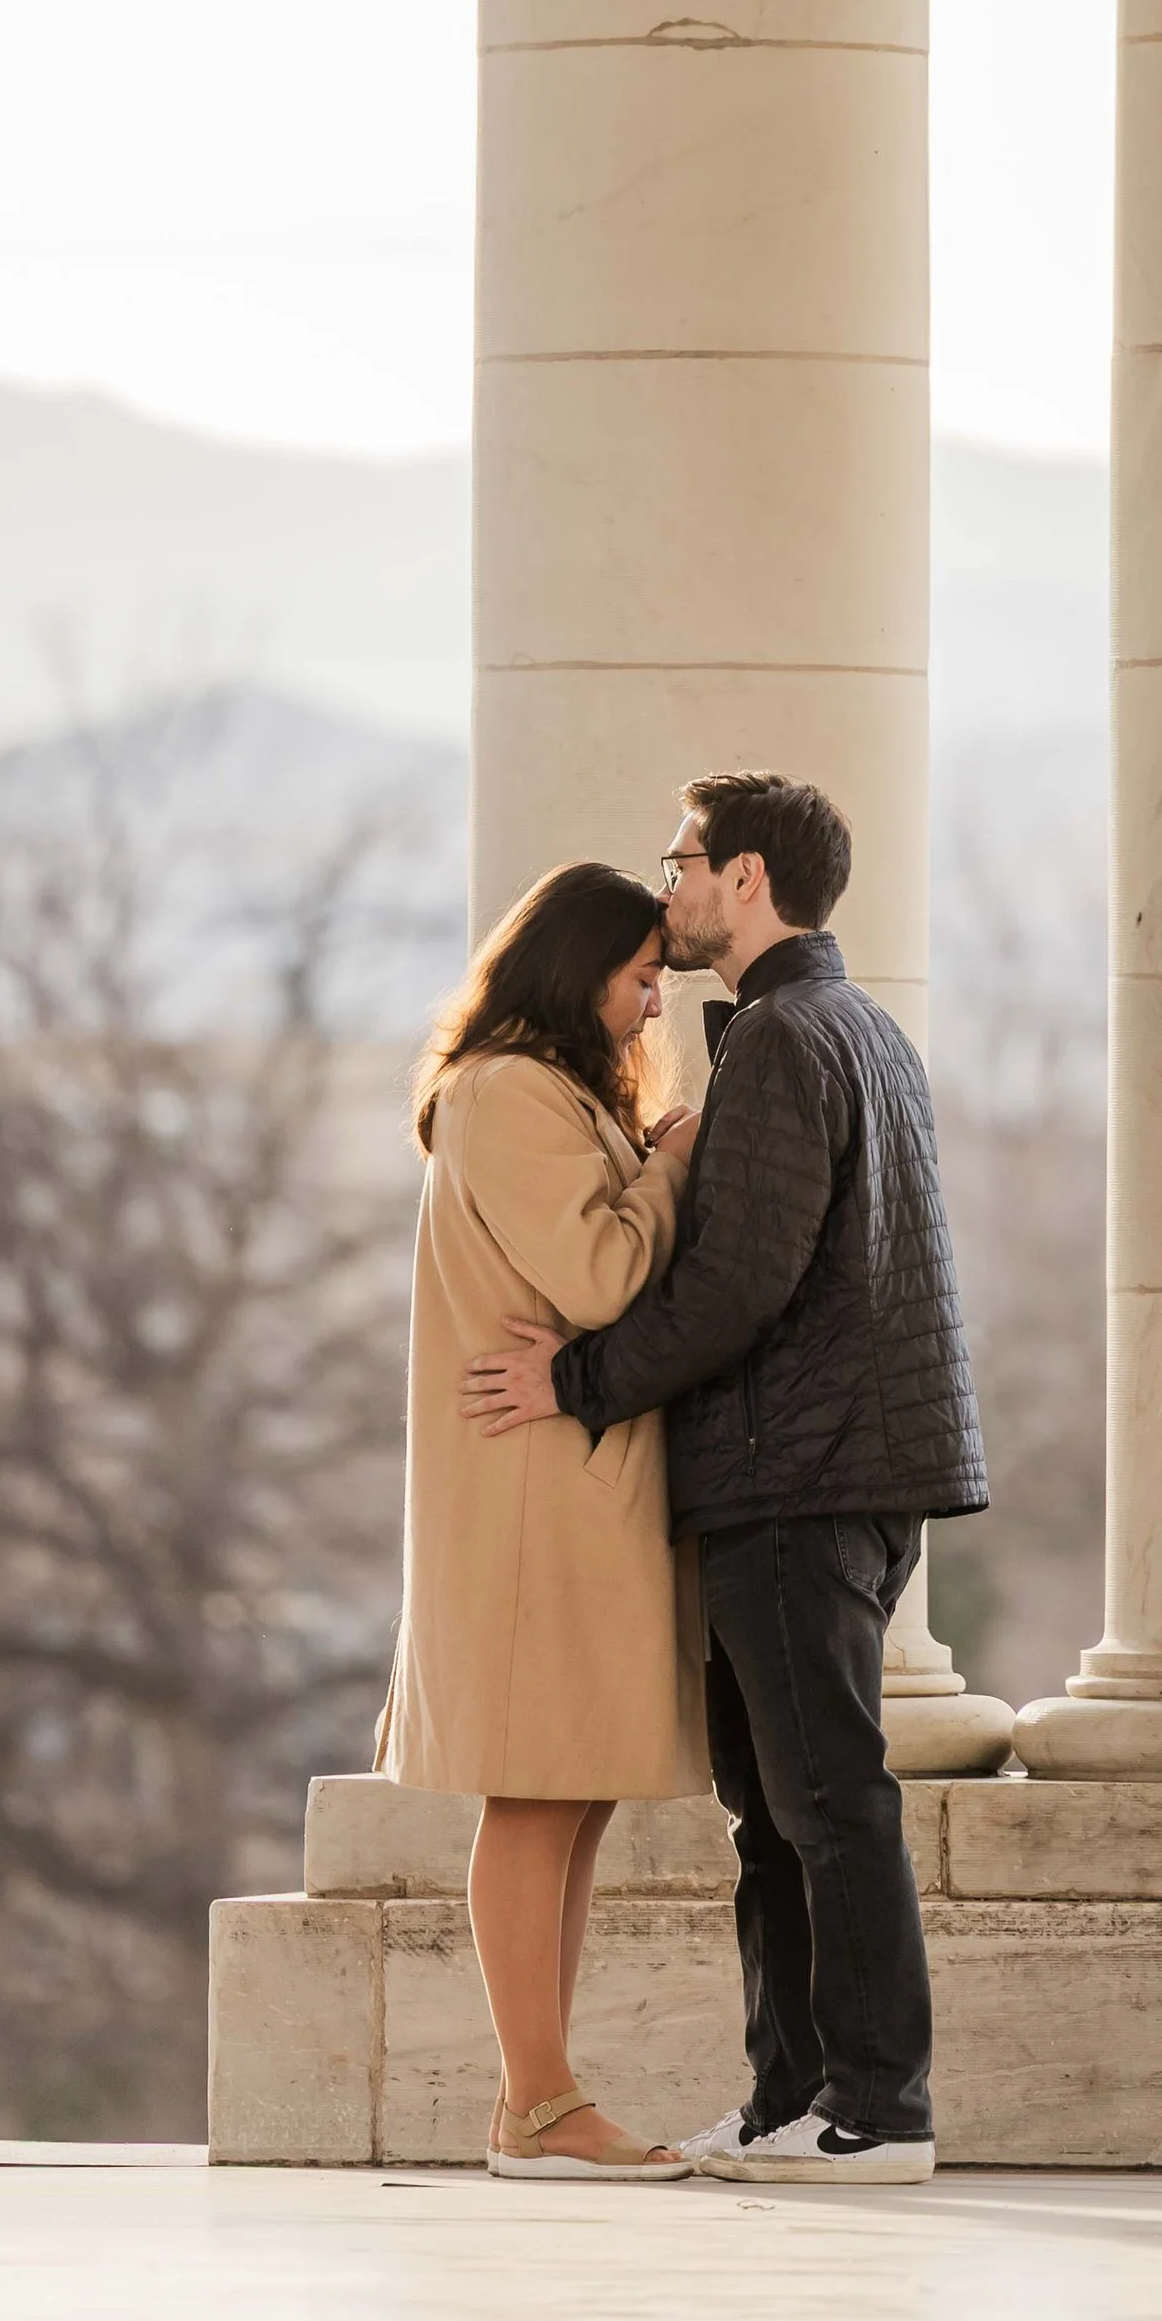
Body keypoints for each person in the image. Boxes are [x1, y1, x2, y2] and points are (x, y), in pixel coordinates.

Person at [463, 773, 987, 2186]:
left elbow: (739, 1281)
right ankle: (793, 2100)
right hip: (835, 1471)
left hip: (795, 1475)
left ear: (746, 876)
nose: (670, 889)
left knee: (824, 1803)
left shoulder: (782, 1037)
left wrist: (578, 1381)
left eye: (682, 861)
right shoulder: (856, 1026)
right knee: (779, 1811)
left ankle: (874, 2110)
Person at [377, 860, 707, 2181]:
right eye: (639, 976)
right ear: (579, 969)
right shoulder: (509, 1091)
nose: (650, 1004)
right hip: (533, 1499)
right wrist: (670, 1165)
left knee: (571, 1796)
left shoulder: (544, 1091)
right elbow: (603, 1271)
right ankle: (538, 2102)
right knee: (533, 1797)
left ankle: (542, 2096)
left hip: (568, 1487)